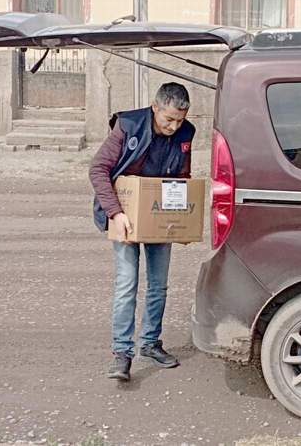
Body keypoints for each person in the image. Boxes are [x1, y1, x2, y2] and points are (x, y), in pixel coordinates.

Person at [89, 82, 195, 381]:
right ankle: (122, 354)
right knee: (127, 284)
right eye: (168, 119)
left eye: (180, 120)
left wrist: (184, 221)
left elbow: (184, 178)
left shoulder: (187, 133)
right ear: (155, 108)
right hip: (126, 214)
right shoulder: (128, 125)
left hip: (160, 216)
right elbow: (98, 169)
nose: (174, 126)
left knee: (159, 285)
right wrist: (116, 214)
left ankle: (150, 343)